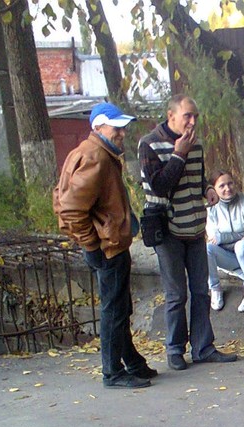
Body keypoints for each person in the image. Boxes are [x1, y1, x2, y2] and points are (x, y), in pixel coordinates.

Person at [53, 102, 156, 388]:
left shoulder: (92, 152)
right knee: (114, 309)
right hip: (107, 246)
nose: (122, 132)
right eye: (116, 127)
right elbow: (71, 209)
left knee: (120, 306)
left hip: (108, 243)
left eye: (123, 127)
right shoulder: (96, 156)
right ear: (98, 127)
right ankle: (113, 372)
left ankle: (132, 362)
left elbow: (60, 197)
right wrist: (91, 245)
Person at [139, 94, 237, 370]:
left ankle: (203, 347)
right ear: (171, 116)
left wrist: (207, 190)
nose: (193, 122)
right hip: (167, 231)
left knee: (202, 291)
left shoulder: (197, 144)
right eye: (187, 116)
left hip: (194, 227)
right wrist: (179, 154)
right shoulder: (149, 144)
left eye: (195, 116)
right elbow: (158, 186)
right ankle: (174, 349)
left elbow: (197, 179)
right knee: (176, 294)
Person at [205, 170, 244, 313]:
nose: (228, 188)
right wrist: (239, 236)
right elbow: (214, 240)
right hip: (229, 258)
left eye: (230, 183)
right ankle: (215, 289)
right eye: (222, 186)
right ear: (214, 189)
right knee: (207, 248)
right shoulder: (211, 209)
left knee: (242, 246)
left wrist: (224, 238)